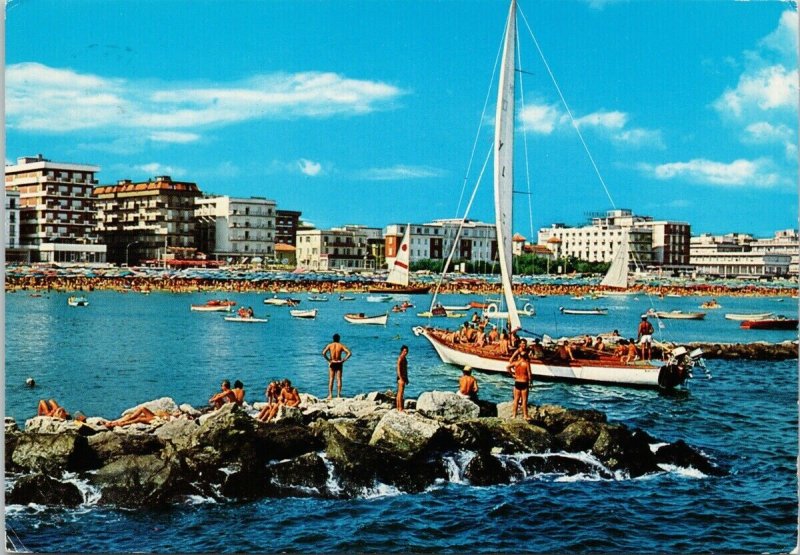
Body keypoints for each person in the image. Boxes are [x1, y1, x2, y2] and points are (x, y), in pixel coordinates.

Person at [322, 333, 351, 399]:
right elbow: (349, 353)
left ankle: (330, 395)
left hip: (332, 362)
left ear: (333, 339)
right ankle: (338, 395)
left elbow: (323, 353)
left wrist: (329, 360)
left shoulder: (330, 345)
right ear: (339, 339)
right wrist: (343, 360)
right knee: (339, 379)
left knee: (331, 379)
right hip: (339, 362)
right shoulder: (341, 345)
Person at [506, 350, 532, 420]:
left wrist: (512, 374)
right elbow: (529, 373)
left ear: (519, 356)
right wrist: (531, 382)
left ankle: (514, 415)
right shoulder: (526, 363)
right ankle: (525, 416)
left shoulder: (516, 363)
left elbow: (507, 367)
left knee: (516, 400)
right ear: (526, 356)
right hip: (524, 382)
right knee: (524, 400)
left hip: (517, 381)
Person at [105, 406, 183, 428]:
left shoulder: (179, 419)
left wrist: (167, 416)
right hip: (156, 417)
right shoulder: (174, 416)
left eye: (178, 412)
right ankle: (116, 423)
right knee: (132, 416)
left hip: (157, 420)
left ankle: (121, 423)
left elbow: (168, 420)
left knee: (140, 416)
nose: (177, 412)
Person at [396, 345, 409, 412]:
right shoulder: (400, 358)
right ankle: (400, 408)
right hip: (400, 377)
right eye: (404, 351)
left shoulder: (404, 358)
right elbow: (398, 369)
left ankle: (398, 407)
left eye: (406, 351)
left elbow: (405, 369)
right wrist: (401, 378)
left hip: (404, 377)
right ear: (402, 351)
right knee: (400, 393)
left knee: (400, 393)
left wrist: (406, 378)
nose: (406, 352)